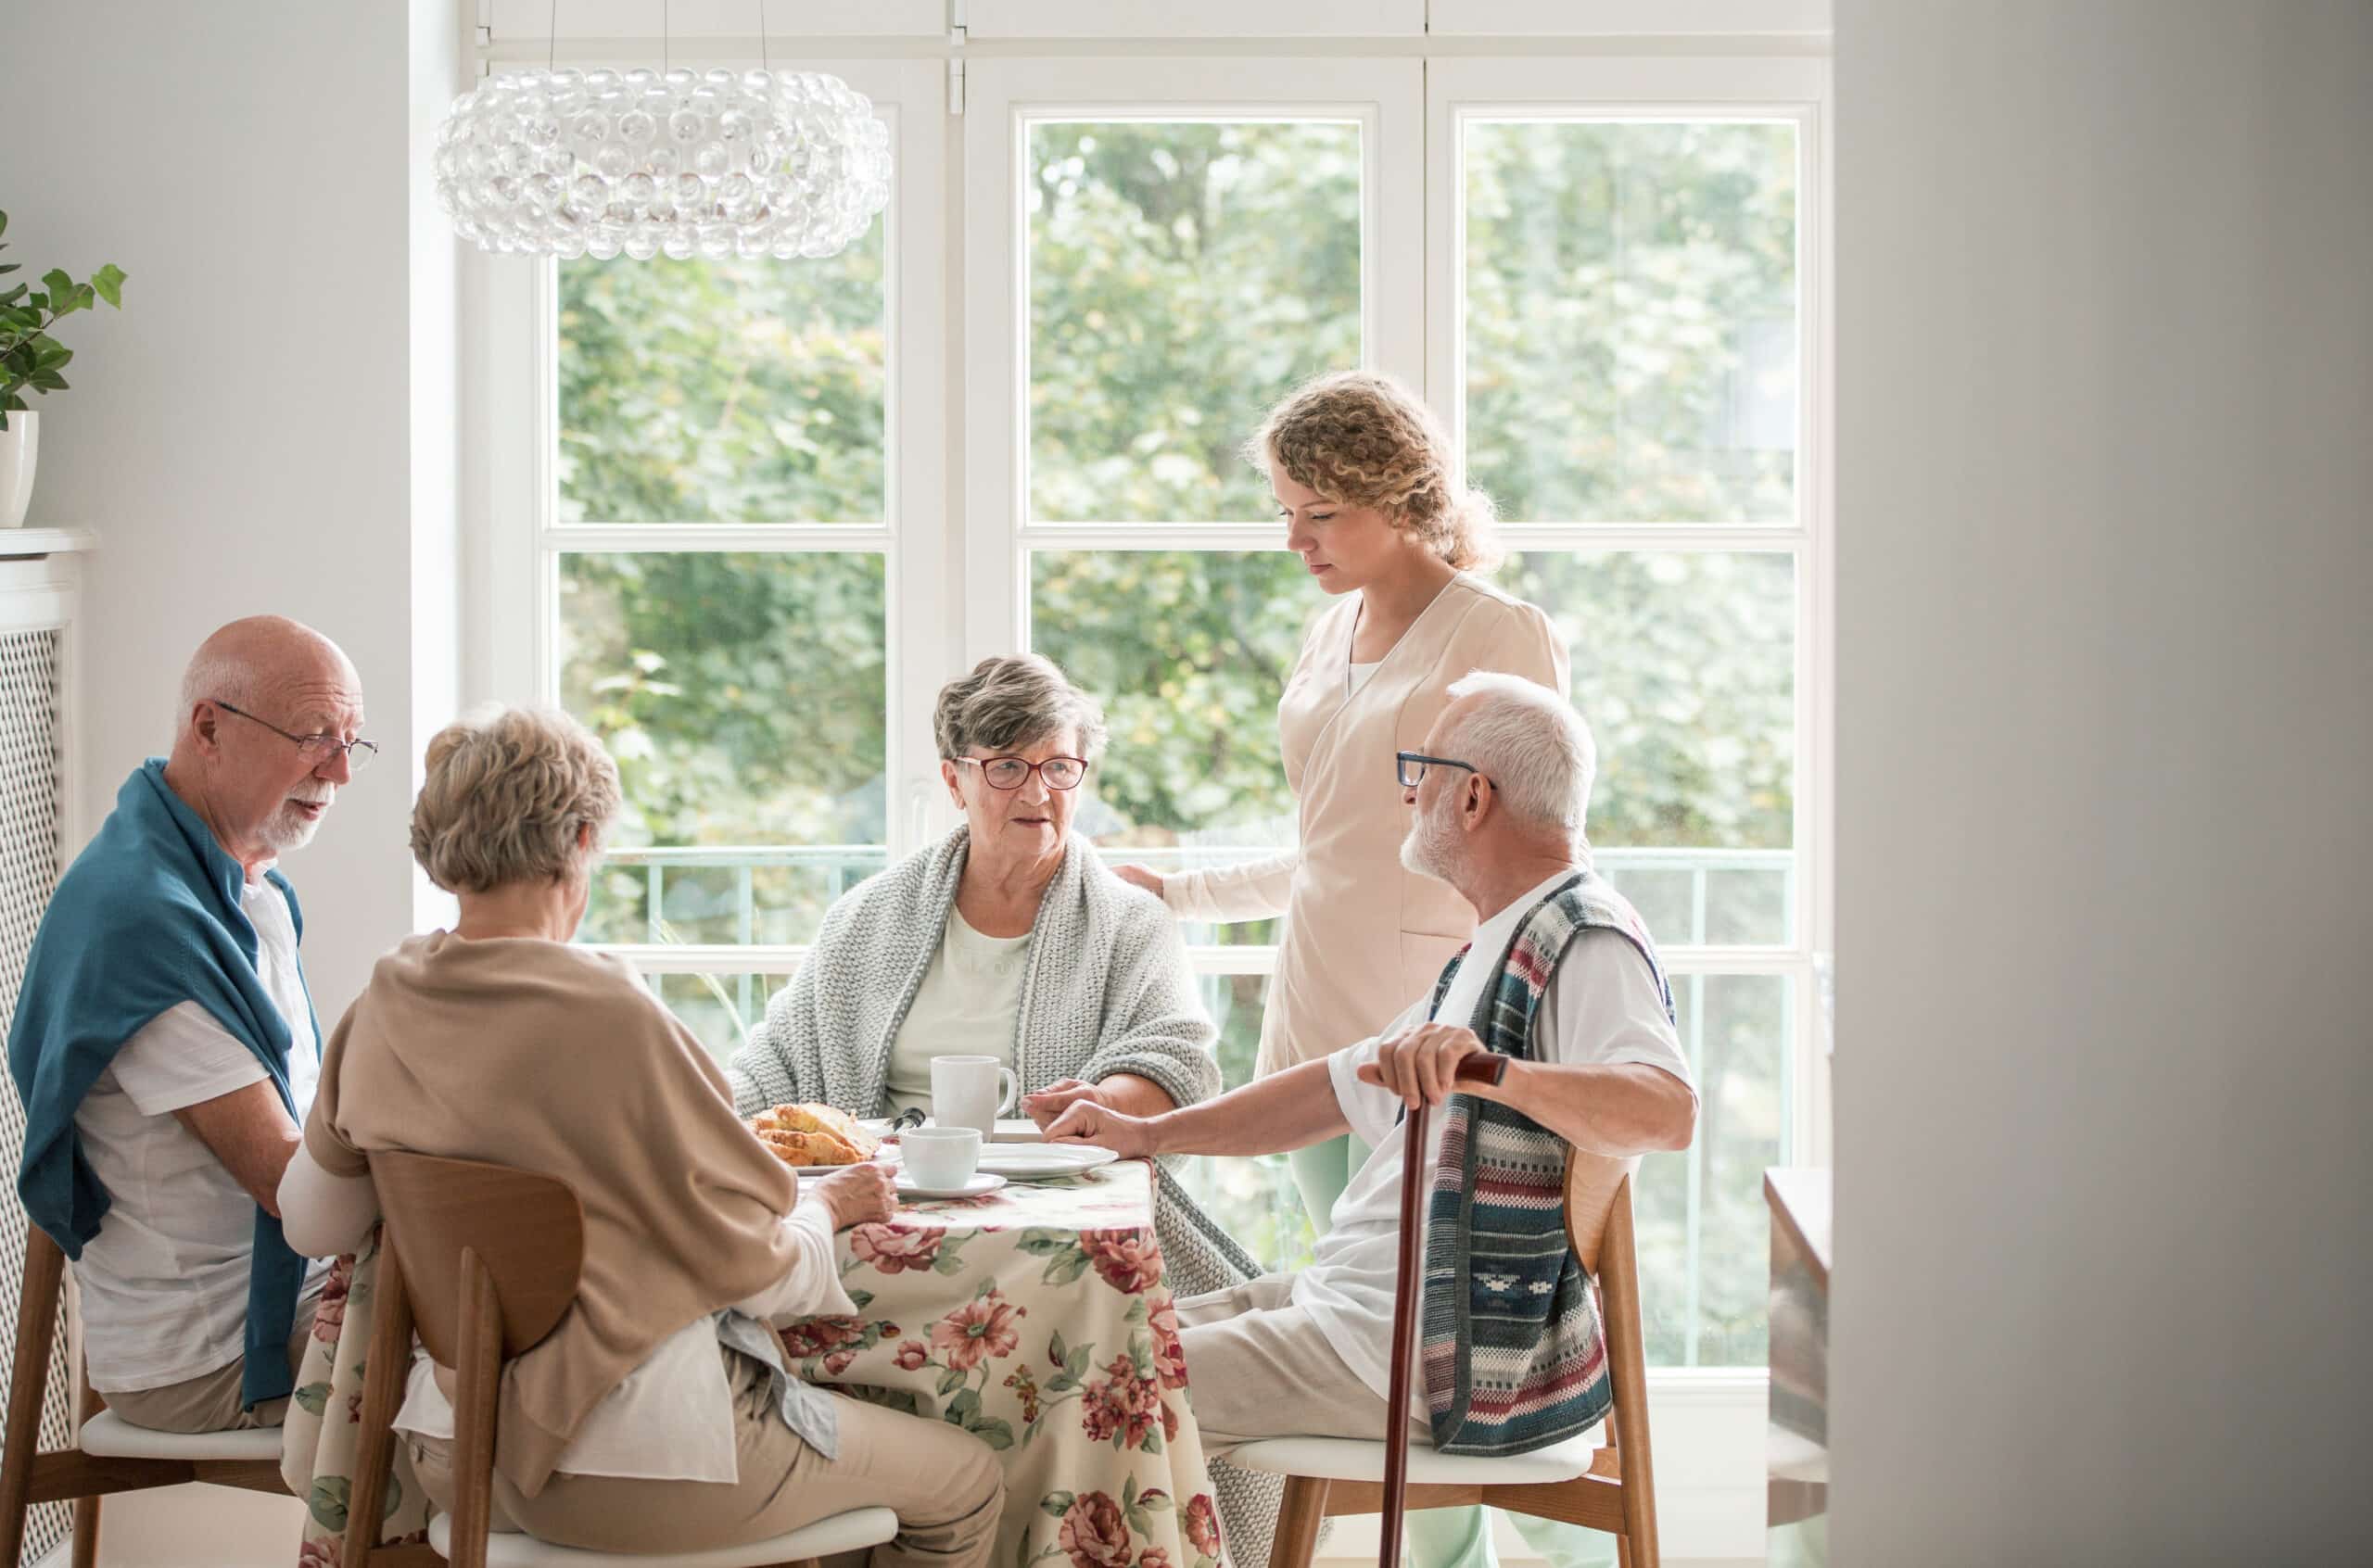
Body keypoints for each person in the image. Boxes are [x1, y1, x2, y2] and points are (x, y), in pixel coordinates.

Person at [275, 707, 1003, 1562]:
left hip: (456, 1453)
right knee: (966, 1481)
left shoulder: (383, 1006)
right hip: (650, 1464)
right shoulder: (615, 1019)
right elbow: (761, 1273)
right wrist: (833, 1207)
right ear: (582, 839)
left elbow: (313, 1225)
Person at [1051, 673, 1697, 1568]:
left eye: (1419, 769)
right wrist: (1152, 1135)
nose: (1406, 791)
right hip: (1355, 1312)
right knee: (1082, 1344)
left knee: (1091, 1396)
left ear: (1473, 796)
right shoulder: (1495, 942)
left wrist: (1495, 1072)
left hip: (1417, 1350)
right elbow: (1332, 1086)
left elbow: (1668, 1110)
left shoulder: (1583, 933)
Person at [1113, 371, 1569, 1249]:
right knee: (1341, 1278)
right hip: (1312, 999)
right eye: (1285, 511)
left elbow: (1545, 847)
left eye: (1319, 513)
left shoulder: (1498, 632)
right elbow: (1333, 850)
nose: (1294, 539)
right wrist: (1177, 895)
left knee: (1414, 1303)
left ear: (1397, 496)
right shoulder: (1330, 632)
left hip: (1432, 1017)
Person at [725, 653, 1251, 1296]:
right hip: (879, 1207)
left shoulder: (1131, 922)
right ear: (955, 781)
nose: (1038, 793)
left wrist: (1103, 1101)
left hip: (1053, 1218)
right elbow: (775, 1065)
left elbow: (1174, 1064)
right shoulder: (868, 917)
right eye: (1007, 767)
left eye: (1059, 766)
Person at [6, 616, 366, 1434]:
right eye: (315, 737)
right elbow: (289, 1184)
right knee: (496, 1357)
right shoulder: (144, 926)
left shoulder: (241, 883)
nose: (340, 772)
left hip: (277, 1300)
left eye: (353, 743)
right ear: (209, 728)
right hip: (213, 1354)